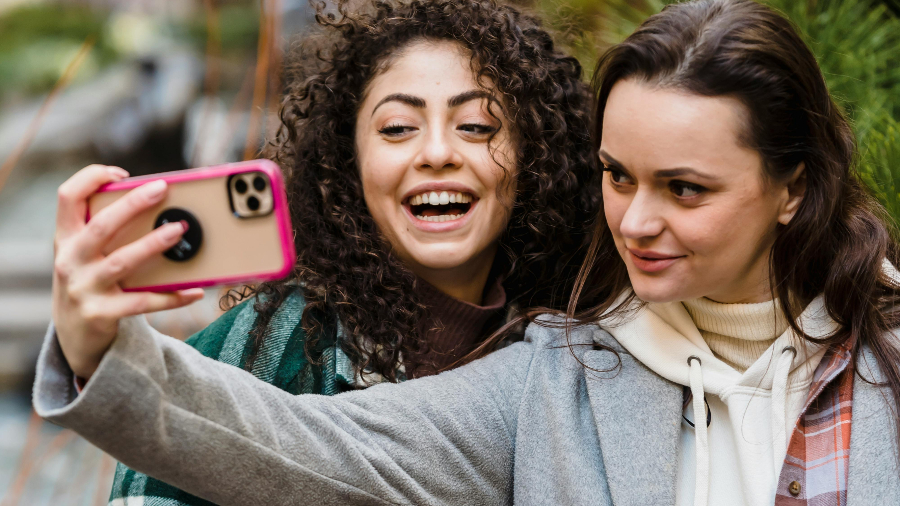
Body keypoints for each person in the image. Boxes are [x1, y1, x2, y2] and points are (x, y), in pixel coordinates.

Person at [35, 0, 900, 505]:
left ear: (793, 188)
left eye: (685, 190)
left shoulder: (879, 355)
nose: (634, 222)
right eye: (618, 177)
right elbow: (294, 442)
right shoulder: (560, 378)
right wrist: (97, 347)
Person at [50, 1, 597, 505]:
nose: (436, 152)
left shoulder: (574, 355)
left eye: (476, 126)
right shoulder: (251, 352)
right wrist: (96, 355)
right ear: (347, 164)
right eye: (398, 128)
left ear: (534, 155)